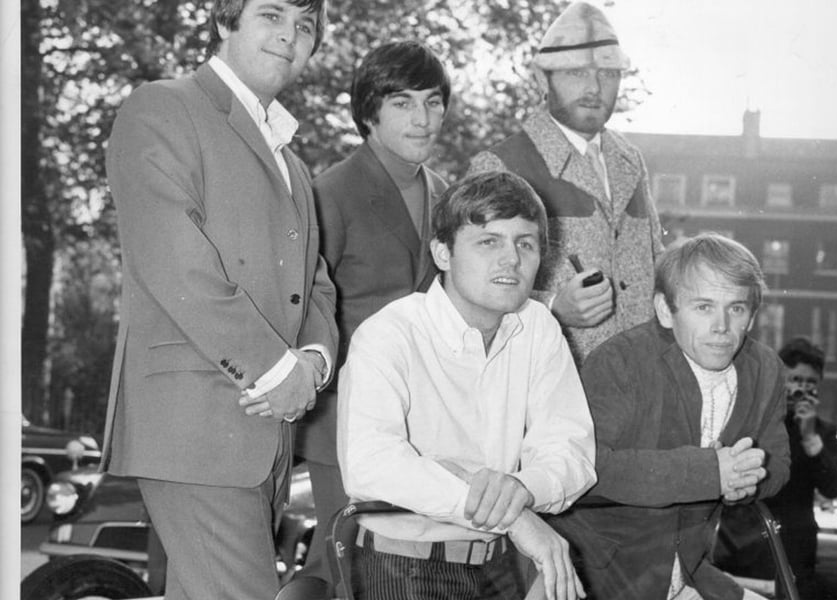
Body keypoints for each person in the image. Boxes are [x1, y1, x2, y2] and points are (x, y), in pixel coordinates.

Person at [99, 1, 338, 598]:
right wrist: (278, 370)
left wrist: (314, 361)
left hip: (265, 437)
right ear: (225, 20)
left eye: (304, 27)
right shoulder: (163, 106)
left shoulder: (292, 163)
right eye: (271, 15)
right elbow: (174, 263)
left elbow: (315, 283)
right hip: (197, 430)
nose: (289, 36)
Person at [337, 171, 597, 600]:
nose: (511, 260)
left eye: (525, 244)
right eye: (489, 242)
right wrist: (512, 517)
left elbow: (570, 451)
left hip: (502, 562)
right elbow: (372, 465)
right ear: (443, 252)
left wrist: (522, 489)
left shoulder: (538, 326)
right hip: (404, 565)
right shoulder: (389, 334)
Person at [548, 233, 790, 600]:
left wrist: (747, 482)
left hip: (689, 571)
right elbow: (583, 468)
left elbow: (778, 464)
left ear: (752, 316)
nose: (722, 326)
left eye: (737, 308)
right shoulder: (620, 361)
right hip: (600, 578)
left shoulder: (765, 369)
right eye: (704, 307)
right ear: (665, 310)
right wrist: (709, 473)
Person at [295, 40, 451, 594]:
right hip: (344, 420)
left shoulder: (446, 196)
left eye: (433, 102)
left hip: (421, 421)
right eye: (403, 103)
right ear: (369, 113)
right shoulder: (328, 194)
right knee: (344, 565)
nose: (422, 118)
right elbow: (304, 309)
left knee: (403, 572)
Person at [467, 0, 664, 366]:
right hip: (551, 380)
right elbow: (472, 289)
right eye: (576, 73)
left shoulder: (630, 161)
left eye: (608, 74)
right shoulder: (502, 165)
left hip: (640, 378)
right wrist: (553, 306)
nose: (594, 88)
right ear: (543, 79)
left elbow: (656, 261)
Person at [723, 337, 837, 598]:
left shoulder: (822, 431)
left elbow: (834, 487)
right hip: (747, 545)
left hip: (795, 550)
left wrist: (810, 437)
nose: (802, 388)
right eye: (795, 380)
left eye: (810, 382)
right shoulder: (755, 422)